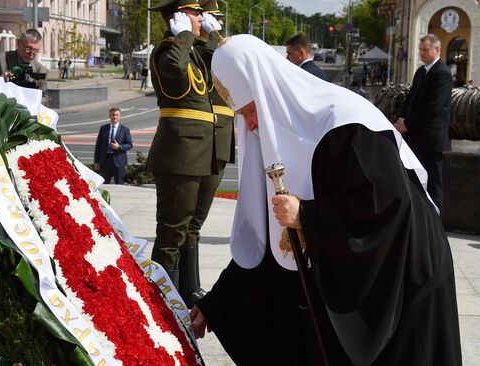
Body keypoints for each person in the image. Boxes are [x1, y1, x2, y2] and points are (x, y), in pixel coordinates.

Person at [191, 34, 462, 366]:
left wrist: (307, 215)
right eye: (241, 115)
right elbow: (272, 246)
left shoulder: (343, 120)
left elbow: (388, 211)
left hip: (405, 279)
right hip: (365, 273)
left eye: (250, 110)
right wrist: (217, 303)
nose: (250, 124)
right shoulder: (280, 136)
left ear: (268, 93)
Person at [148, 0, 219, 308]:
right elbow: (176, 76)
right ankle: (162, 306)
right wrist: (182, 37)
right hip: (180, 151)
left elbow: (219, 67)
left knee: (186, 230)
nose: (200, 18)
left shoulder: (190, 50)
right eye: (194, 13)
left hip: (197, 149)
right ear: (177, 17)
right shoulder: (168, 50)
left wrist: (211, 36)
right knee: (170, 235)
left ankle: (182, 295)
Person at [188, 0, 236, 306]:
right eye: (207, 19)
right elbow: (214, 56)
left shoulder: (213, 48)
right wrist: (211, 38)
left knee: (196, 221)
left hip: (220, 138)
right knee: (188, 223)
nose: (213, 24)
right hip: (204, 137)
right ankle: (186, 285)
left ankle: (190, 285)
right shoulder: (199, 51)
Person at [394, 34, 453, 213]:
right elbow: (410, 98)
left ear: (437, 50)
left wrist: (408, 124)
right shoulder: (421, 71)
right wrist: (401, 120)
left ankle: (436, 224)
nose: (421, 53)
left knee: (433, 184)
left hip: (431, 140)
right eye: (420, 50)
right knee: (414, 181)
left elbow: (433, 108)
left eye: (425, 50)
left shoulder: (442, 73)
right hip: (415, 138)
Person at [0, 29, 48, 105]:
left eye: (36, 51)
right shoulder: (0, 59)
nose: (31, 54)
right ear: (19, 43)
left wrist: (33, 100)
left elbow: (43, 98)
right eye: (28, 49)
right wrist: (0, 80)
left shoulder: (41, 70)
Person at [93, 107, 133, 184]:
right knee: (104, 184)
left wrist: (119, 147)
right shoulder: (103, 128)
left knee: (119, 184)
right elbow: (98, 145)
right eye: (113, 115)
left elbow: (129, 145)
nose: (114, 117)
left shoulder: (125, 130)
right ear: (109, 116)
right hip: (105, 161)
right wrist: (96, 161)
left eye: (117, 115)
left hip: (119, 161)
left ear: (120, 116)